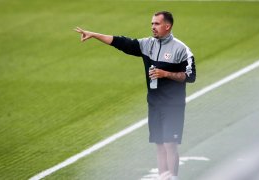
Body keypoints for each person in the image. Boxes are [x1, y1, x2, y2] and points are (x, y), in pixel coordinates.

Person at [75, 11, 196, 180]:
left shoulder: (181, 49)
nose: (153, 27)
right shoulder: (147, 44)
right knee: (159, 145)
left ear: (167, 26)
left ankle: (172, 178)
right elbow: (121, 42)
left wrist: (165, 74)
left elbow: (190, 76)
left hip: (173, 106)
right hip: (154, 104)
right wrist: (94, 35)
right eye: (152, 23)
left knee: (170, 145)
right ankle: (163, 177)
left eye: (157, 24)